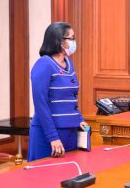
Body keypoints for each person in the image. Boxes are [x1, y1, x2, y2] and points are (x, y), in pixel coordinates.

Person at [28, 22, 88, 161]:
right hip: (48, 135)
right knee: (44, 179)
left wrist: (79, 119)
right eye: (71, 38)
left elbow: (71, 98)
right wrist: (52, 137)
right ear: (59, 41)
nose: (74, 42)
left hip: (70, 132)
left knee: (68, 175)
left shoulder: (68, 63)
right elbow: (41, 104)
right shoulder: (43, 64)